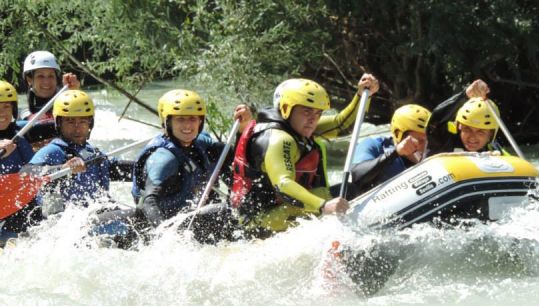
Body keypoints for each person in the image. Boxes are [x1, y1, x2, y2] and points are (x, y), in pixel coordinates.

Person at [230, 73, 380, 236]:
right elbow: (283, 185)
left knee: (350, 190)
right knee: (337, 194)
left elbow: (341, 125)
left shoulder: (298, 126)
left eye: (318, 113)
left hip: (280, 210)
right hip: (258, 223)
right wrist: (323, 206)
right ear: (286, 109)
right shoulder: (278, 139)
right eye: (307, 111)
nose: (313, 119)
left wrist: (362, 95)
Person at [128, 89, 252, 244]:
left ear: (200, 121)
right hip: (168, 226)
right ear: (167, 122)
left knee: (241, 203)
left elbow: (239, 159)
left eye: (193, 119)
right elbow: (148, 202)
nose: (187, 125)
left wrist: (243, 129)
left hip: (190, 219)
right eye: (180, 119)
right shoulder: (163, 159)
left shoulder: (200, 143)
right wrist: (165, 238)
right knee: (222, 212)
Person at [23, 89, 127, 218]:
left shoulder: (92, 152)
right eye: (70, 122)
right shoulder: (53, 151)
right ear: (59, 123)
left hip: (94, 217)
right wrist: (63, 169)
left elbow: (118, 169)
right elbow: (25, 174)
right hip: (64, 223)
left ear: (90, 124)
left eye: (83, 121)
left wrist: (145, 165)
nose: (77, 128)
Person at [346, 104, 431, 198]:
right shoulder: (373, 145)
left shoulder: (432, 152)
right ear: (398, 134)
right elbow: (356, 175)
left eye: (428, 139)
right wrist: (395, 153)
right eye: (420, 140)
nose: (425, 146)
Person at [425, 79, 505, 156]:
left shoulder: (495, 151)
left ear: (491, 134)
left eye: (480, 132)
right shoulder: (445, 141)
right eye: (467, 129)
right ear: (459, 127)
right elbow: (436, 120)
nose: (472, 137)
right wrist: (465, 95)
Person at [20, 50, 80, 150]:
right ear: (29, 80)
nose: (46, 81)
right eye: (41, 76)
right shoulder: (23, 116)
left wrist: (74, 93)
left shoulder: (69, 108)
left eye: (51, 76)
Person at [0, 80, 37, 241]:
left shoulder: (22, 130)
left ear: (14, 109)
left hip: (24, 205)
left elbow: (60, 125)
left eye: (6, 106)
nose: (2, 113)